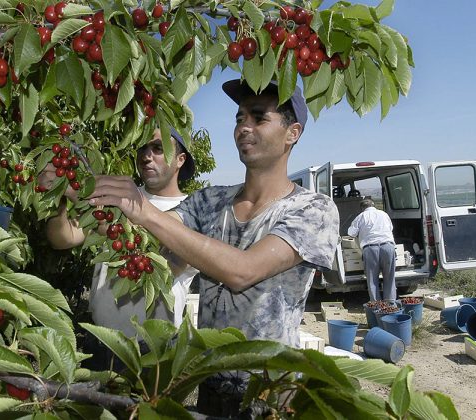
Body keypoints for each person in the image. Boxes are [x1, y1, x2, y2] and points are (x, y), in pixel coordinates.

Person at [86, 80, 339, 416]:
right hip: (208, 380)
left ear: (292, 133)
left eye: (259, 118)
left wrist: (145, 211)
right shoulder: (210, 201)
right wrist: (85, 196)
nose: (244, 127)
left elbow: (243, 271)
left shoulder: (314, 209)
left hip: (269, 390)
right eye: (239, 118)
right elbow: (147, 241)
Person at [40, 127, 198, 370]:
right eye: (143, 148)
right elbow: (64, 238)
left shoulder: (193, 211)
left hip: (152, 350)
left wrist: (78, 195)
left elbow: (164, 266)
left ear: (180, 159)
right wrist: (57, 199)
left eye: (158, 148)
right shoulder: (119, 195)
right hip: (100, 340)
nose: (147, 156)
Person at [347, 198, 396, 301]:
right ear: (373, 205)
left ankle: (376, 306)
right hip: (388, 247)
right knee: (389, 278)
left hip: (370, 249)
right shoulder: (384, 214)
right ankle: (391, 305)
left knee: (372, 280)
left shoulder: (360, 217)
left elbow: (351, 233)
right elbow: (390, 228)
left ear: (362, 208)